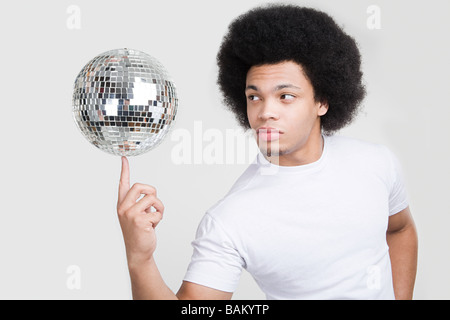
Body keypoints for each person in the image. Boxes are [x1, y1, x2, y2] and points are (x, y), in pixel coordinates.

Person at [116, 4, 418, 300]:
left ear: (322, 101)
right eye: (254, 96)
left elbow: (401, 229)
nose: (265, 112)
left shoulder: (376, 163)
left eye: (285, 96)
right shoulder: (231, 219)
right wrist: (139, 260)